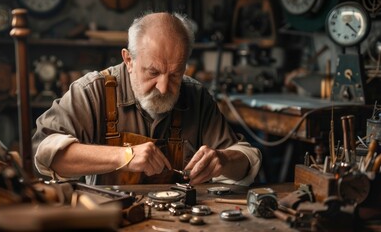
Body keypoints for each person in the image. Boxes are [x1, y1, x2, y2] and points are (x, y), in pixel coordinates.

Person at [32, 12, 261, 186]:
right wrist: (123, 156)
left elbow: (246, 157)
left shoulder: (196, 95)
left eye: (175, 75)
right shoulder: (93, 92)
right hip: (114, 219)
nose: (163, 87)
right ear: (129, 60)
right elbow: (44, 152)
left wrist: (224, 160)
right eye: (153, 72)